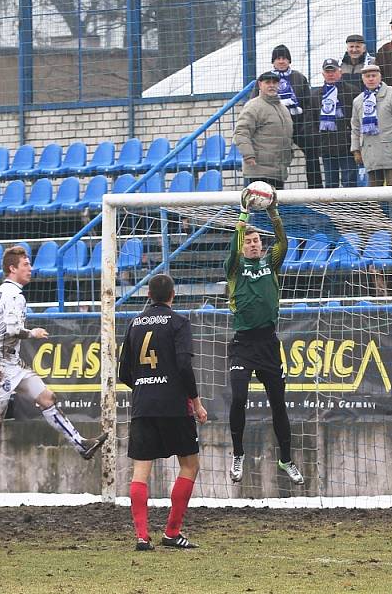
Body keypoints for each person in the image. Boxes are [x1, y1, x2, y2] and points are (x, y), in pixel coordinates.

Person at [0, 246, 108, 507]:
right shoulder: (15, 296)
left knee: (47, 397)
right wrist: (32, 333)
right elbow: (13, 329)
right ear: (13, 268)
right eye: (26, 264)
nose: (30, 268)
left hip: (12, 363)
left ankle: (81, 444)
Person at [118, 273, 208, 551]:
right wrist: (195, 401)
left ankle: (142, 537)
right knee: (190, 465)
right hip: (174, 406)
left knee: (140, 471)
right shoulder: (179, 323)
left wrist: (145, 386)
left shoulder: (134, 323)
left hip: (144, 405)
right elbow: (183, 366)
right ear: (172, 296)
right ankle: (171, 532)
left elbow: (123, 372)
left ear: (147, 295)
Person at [224, 191, 304, 486]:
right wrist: (244, 215)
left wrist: (273, 213)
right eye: (248, 240)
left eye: (256, 240)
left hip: (269, 344)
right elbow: (234, 243)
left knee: (278, 404)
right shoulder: (234, 267)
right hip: (243, 345)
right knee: (239, 398)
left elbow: (283, 242)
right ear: (243, 245)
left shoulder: (271, 262)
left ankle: (286, 459)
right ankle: (238, 454)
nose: (253, 244)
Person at [269, 44, 323, 189]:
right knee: (277, 158)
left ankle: (316, 190)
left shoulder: (299, 77)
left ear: (289, 60)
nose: (281, 61)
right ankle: (276, 192)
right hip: (276, 127)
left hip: (299, 125)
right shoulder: (266, 79)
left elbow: (308, 103)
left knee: (312, 154)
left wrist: (306, 124)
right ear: (273, 61)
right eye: (278, 58)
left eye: (284, 58)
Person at [350, 64, 392, 187]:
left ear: (380, 77)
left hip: (391, 151)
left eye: (374, 76)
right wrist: (356, 149)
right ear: (363, 79)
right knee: (374, 195)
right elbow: (355, 127)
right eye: (367, 76)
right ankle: (376, 207)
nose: (371, 79)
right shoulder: (358, 101)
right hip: (369, 154)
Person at [234, 71, 294, 190]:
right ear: (260, 85)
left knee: (275, 207)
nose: (271, 85)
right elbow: (241, 132)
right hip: (259, 171)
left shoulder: (283, 109)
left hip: (278, 172)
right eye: (268, 82)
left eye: (275, 82)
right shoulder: (254, 106)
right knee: (261, 206)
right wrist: (248, 155)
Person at [311, 58, 360, 188]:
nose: (330, 74)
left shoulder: (352, 91)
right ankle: (333, 209)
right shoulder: (315, 96)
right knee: (330, 184)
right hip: (327, 146)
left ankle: (351, 208)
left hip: (348, 145)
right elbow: (312, 121)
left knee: (349, 182)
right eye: (327, 71)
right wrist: (318, 141)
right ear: (323, 74)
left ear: (340, 72)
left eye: (333, 71)